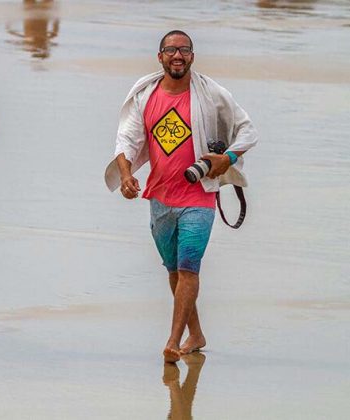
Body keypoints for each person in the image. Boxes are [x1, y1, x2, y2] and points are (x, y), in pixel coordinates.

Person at [104, 30, 257, 363]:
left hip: (199, 196)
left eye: (184, 50)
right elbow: (126, 141)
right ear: (159, 57)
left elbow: (248, 130)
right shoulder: (146, 96)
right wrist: (128, 174)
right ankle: (196, 334)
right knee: (173, 271)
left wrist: (226, 159)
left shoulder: (211, 93)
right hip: (159, 196)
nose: (178, 56)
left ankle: (173, 341)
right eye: (170, 50)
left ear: (193, 56)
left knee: (189, 268)